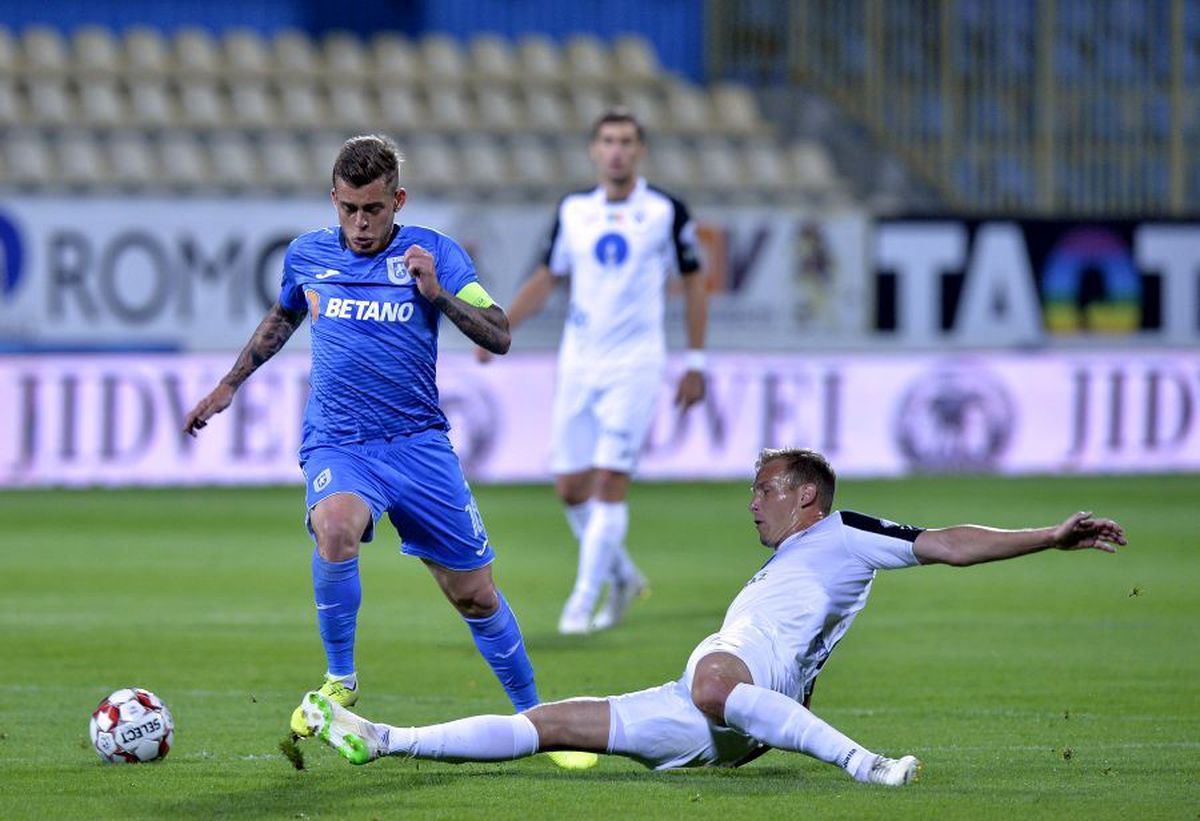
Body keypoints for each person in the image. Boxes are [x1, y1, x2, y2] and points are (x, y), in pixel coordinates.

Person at [297, 446, 1126, 784]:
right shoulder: (788, 562)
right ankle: (386, 738)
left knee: (715, 671)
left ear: (807, 496)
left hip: (739, 679)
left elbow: (947, 540)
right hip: (720, 714)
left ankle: (868, 765)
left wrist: (1049, 534)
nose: (753, 501)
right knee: (550, 723)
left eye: (764, 488)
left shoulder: (845, 534)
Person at [182, 134, 577, 759]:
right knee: (334, 527)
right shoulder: (306, 255)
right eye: (349, 210)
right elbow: (283, 316)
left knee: (474, 594)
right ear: (333, 200)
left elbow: (499, 333)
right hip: (340, 441)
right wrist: (229, 383)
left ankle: (539, 719)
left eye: (374, 210)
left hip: (419, 445)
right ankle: (341, 678)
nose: (361, 224)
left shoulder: (436, 255)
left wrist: (437, 295)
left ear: (398, 200)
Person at [478, 107, 710, 635]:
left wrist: (696, 361)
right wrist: (500, 328)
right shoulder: (574, 211)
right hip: (580, 360)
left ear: (641, 150)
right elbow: (547, 277)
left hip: (636, 364)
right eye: (608, 140)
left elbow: (696, 282)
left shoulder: (665, 211)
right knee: (569, 487)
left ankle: (582, 602)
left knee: (609, 481)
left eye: (627, 140)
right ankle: (623, 575)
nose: (617, 150)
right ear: (594, 150)